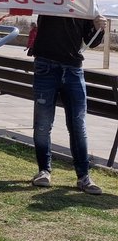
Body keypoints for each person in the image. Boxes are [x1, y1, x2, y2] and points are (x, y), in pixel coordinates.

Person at [29, 12, 108, 194]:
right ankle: (44, 171)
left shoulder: (84, 2)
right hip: (47, 65)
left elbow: (91, 42)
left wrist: (98, 28)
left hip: (71, 68)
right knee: (43, 124)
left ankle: (83, 176)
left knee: (77, 125)